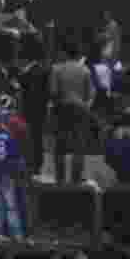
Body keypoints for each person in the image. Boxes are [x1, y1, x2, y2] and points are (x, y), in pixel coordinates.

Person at [48, 41, 94, 184]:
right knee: (79, 145)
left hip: (63, 107)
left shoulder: (57, 69)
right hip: (81, 107)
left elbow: (53, 92)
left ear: (64, 53)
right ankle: (76, 178)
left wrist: (54, 109)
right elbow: (89, 94)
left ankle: (60, 178)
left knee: (60, 145)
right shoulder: (85, 70)